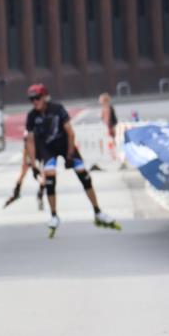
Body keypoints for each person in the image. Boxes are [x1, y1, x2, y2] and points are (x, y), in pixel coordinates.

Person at [24, 84, 119, 237]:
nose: (34, 102)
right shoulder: (32, 116)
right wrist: (33, 163)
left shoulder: (57, 109)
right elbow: (30, 141)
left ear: (44, 97)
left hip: (64, 144)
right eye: (31, 99)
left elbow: (70, 132)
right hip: (47, 149)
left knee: (84, 175)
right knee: (50, 176)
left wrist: (69, 154)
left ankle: (98, 211)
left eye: (37, 98)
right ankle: (54, 216)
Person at [4, 131, 45, 211]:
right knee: (24, 172)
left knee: (42, 173)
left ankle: (40, 193)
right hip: (30, 151)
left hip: (38, 150)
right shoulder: (29, 137)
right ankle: (17, 192)